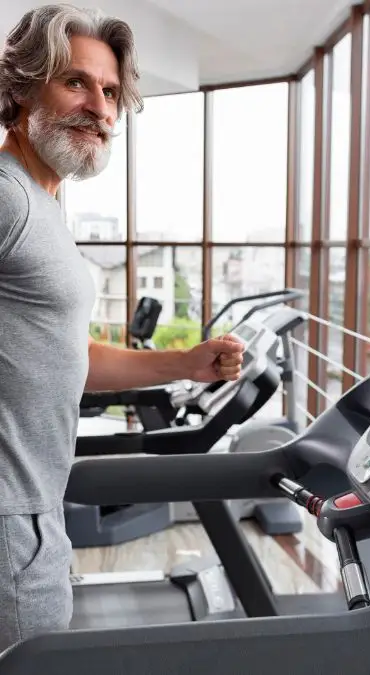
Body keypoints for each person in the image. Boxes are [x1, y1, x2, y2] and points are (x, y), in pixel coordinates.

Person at [0, 4, 245, 653]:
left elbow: (68, 354)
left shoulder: (45, 200)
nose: (100, 108)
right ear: (24, 86)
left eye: (110, 92)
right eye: (75, 82)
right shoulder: (7, 197)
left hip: (35, 517)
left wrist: (185, 364)